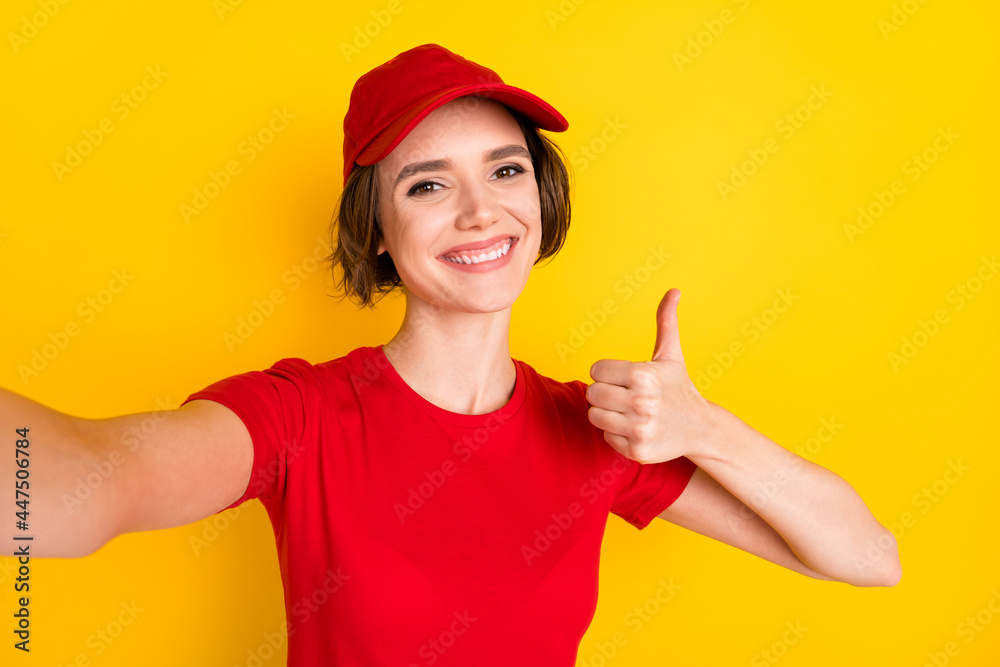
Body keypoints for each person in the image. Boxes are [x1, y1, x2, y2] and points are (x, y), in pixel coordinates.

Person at [1, 43, 900, 665]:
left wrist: (708, 430)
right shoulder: (301, 418)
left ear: (540, 197)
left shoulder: (597, 434)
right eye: (428, 184)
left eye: (506, 170)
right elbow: (81, 488)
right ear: (380, 234)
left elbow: (866, 555)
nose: (481, 212)